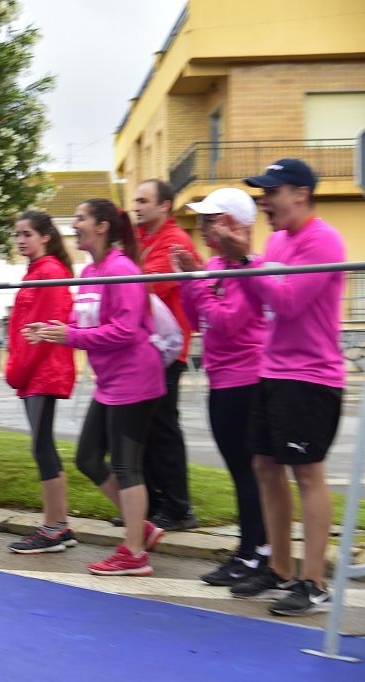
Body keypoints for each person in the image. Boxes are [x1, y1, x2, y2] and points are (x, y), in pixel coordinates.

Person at [213, 159, 344, 616]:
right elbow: (261, 298)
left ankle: (314, 582)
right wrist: (239, 262)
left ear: (300, 194)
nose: (264, 202)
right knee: (265, 466)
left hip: (310, 376)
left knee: (307, 473)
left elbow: (287, 302)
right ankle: (282, 568)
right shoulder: (279, 241)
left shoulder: (323, 239)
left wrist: (245, 260)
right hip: (274, 372)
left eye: (272, 192)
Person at [29, 199, 166, 576]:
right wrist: (51, 332)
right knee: (88, 457)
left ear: (102, 227)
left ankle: (134, 553)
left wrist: (69, 334)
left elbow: (125, 330)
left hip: (136, 378)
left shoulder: (122, 269)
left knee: (125, 465)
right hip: (110, 382)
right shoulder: (90, 270)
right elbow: (79, 323)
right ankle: (142, 528)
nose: (74, 225)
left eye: (80, 218)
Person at [172, 188, 268, 586]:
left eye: (211, 219)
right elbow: (198, 319)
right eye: (203, 219)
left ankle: (257, 554)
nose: (203, 227)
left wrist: (195, 283)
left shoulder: (251, 269)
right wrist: (188, 280)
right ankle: (248, 551)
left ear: (235, 225)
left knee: (249, 474)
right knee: (239, 472)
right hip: (222, 379)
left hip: (246, 380)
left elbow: (227, 322)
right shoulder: (214, 266)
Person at [4, 211, 77, 554]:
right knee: (42, 446)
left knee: (42, 447)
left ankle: (54, 528)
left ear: (46, 236)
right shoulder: (39, 270)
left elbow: (42, 333)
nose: (20, 240)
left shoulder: (48, 272)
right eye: (17, 234)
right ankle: (58, 525)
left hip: (42, 372)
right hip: (37, 373)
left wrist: (17, 372)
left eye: (27, 234)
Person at [132, 179, 199, 531]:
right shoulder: (142, 241)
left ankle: (178, 507)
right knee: (144, 429)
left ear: (164, 206)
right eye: (135, 200)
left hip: (167, 352)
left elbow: (149, 286)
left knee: (162, 428)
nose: (136, 206)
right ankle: (153, 505)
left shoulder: (175, 242)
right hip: (144, 352)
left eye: (143, 201)